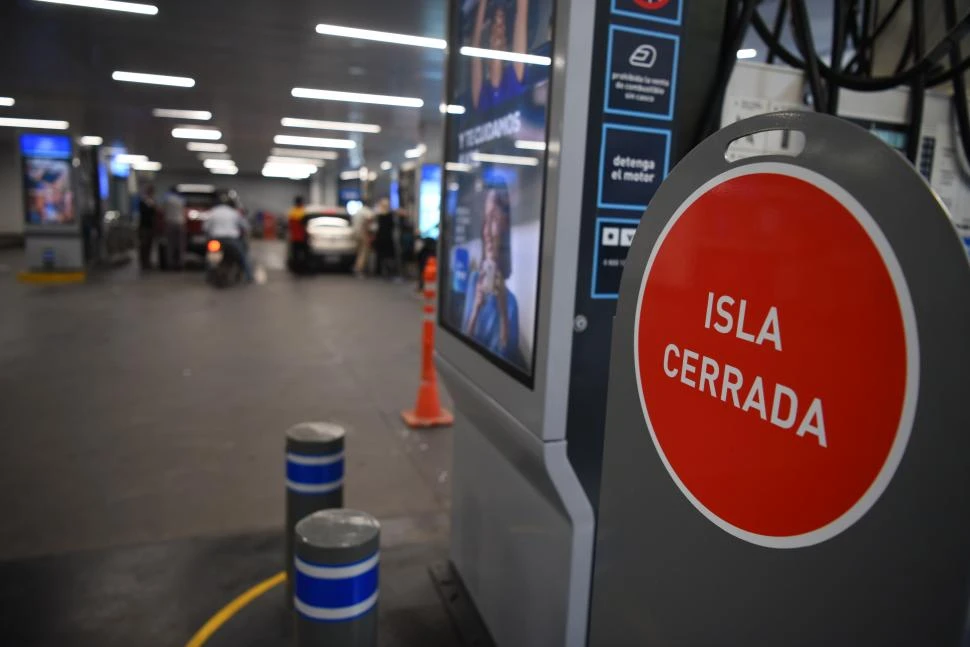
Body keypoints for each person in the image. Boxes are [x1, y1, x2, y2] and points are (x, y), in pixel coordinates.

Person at [465, 180, 512, 351]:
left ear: (506, 224)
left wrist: (503, 318)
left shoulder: (511, 304)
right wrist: (475, 313)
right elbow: (463, 348)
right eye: (486, 220)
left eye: (493, 219)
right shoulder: (473, 283)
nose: (486, 233)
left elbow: (505, 356)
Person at [471, 0, 529, 111]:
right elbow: (522, 8)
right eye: (497, 28)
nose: (498, 32)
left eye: (500, 28)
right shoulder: (515, 80)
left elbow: (474, 47)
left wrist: (482, 3)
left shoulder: (480, 98)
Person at [204, 190, 253, 283]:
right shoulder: (234, 213)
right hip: (231, 240)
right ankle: (249, 276)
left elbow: (205, 227)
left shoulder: (212, 212)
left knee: (210, 258)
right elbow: (245, 226)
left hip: (215, 239)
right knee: (243, 257)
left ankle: (208, 276)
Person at [160, 186, 186, 271]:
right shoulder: (181, 200)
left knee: (170, 245)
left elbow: (162, 211)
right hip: (180, 223)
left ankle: (170, 264)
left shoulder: (167, 200)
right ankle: (180, 264)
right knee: (180, 245)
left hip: (170, 224)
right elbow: (184, 212)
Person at [137, 184, 159, 270]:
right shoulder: (143, 201)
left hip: (150, 226)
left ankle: (147, 262)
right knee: (143, 245)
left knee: (149, 245)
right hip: (144, 227)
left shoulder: (152, 201)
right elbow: (145, 212)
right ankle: (143, 263)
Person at [373, 198, 397, 278]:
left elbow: (376, 227)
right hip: (387, 237)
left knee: (380, 255)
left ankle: (379, 271)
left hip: (380, 237)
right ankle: (389, 271)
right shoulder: (390, 215)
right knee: (389, 255)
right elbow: (392, 226)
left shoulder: (379, 216)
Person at [352, 200, 374, 277]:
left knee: (359, 252)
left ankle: (356, 267)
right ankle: (359, 269)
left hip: (355, 233)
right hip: (363, 233)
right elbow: (369, 220)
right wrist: (368, 233)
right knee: (363, 252)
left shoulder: (358, 211)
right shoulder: (367, 211)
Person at [287, 196, 308, 271]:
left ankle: (295, 268)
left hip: (294, 237)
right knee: (304, 254)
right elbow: (305, 224)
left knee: (295, 254)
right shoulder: (303, 211)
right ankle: (303, 268)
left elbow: (289, 225)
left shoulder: (292, 212)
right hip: (302, 237)